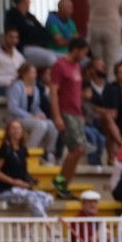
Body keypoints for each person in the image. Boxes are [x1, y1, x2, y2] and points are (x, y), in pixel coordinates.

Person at [0, 117, 54, 216]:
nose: (16, 131)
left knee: (48, 199)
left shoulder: (23, 149)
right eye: (13, 128)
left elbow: (22, 171)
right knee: (31, 197)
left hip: (21, 189)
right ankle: (48, 225)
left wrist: (29, 182)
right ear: (8, 132)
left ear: (22, 131)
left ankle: (28, 225)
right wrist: (13, 182)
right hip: (6, 190)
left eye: (18, 128)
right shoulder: (5, 148)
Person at [49, 38, 89, 199]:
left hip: (76, 113)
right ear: (76, 50)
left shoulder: (77, 66)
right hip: (66, 112)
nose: (85, 56)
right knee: (77, 149)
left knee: (79, 150)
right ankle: (60, 181)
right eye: (84, 52)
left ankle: (63, 183)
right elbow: (53, 91)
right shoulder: (60, 65)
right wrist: (57, 115)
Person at [6, 61, 58, 164]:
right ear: (24, 74)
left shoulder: (35, 88)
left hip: (30, 118)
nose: (35, 75)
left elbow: (35, 106)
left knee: (52, 125)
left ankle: (47, 152)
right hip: (17, 118)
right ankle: (26, 152)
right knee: (41, 125)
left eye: (35, 73)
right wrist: (31, 116)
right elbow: (12, 107)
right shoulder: (16, 87)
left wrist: (40, 113)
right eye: (32, 72)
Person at [4, 0, 56, 68]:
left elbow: (42, 31)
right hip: (25, 48)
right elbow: (17, 33)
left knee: (63, 58)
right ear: (23, 0)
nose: (30, 2)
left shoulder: (30, 16)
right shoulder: (12, 15)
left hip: (40, 47)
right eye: (28, 0)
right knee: (51, 59)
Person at [0, 28, 24, 95]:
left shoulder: (19, 56)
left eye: (16, 38)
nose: (14, 40)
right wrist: (11, 82)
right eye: (11, 37)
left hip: (18, 86)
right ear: (5, 37)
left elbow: (23, 73)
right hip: (1, 87)